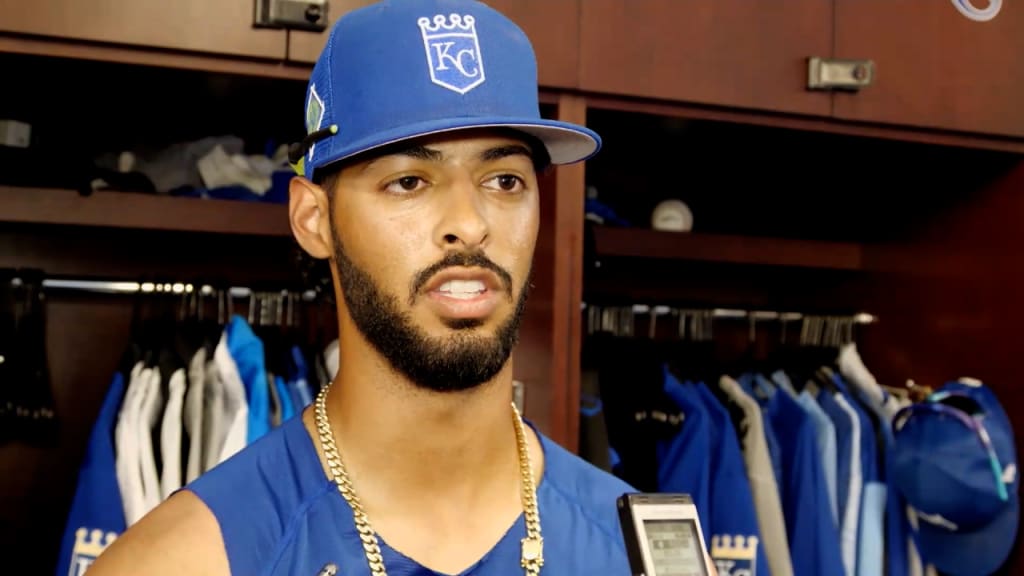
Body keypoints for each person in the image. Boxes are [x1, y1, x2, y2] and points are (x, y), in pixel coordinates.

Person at [87, 0, 639, 574]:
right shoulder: (184, 559)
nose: (471, 223)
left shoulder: (635, 546)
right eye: (408, 182)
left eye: (504, 180)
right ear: (313, 220)